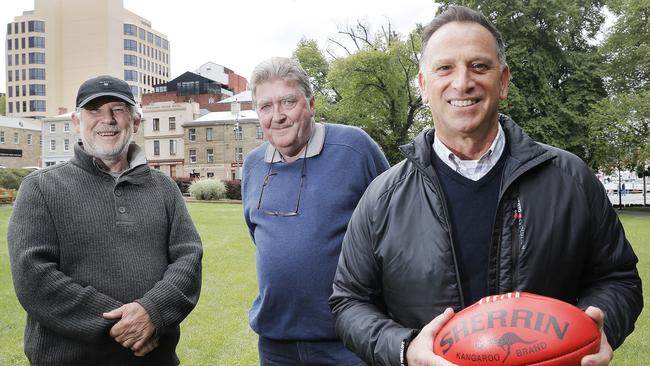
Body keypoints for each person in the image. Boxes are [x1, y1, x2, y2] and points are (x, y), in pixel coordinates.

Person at [329, 6, 643, 366]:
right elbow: (348, 301)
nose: (462, 82)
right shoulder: (381, 197)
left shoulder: (571, 178)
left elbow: (619, 280)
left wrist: (598, 328)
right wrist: (405, 349)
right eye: (445, 68)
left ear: (503, 81)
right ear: (423, 86)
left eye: (479, 66)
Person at [8, 75, 203, 365]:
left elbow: (188, 259)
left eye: (118, 109)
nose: (107, 119)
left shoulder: (164, 188)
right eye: (94, 110)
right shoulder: (41, 187)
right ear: (76, 121)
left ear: (136, 121)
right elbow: (34, 278)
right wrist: (124, 325)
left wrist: (152, 311)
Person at [242, 57, 389, 365]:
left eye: (288, 102)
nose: (278, 116)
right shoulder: (253, 165)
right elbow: (260, 236)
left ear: (310, 103)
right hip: (276, 345)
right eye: (266, 107)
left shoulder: (355, 148)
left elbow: (396, 229)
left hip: (349, 341)